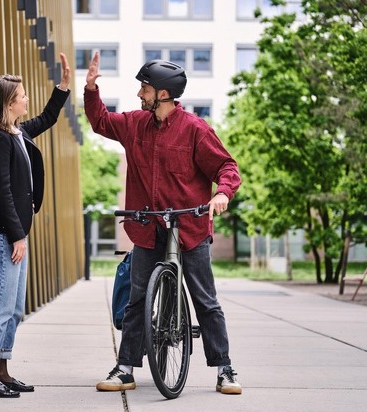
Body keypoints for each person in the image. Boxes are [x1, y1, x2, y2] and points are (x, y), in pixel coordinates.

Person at [84, 53, 243, 395]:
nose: (140, 94)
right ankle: (125, 367)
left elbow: (226, 168)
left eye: (145, 88)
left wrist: (222, 194)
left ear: (164, 94)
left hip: (191, 228)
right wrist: (92, 89)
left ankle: (224, 368)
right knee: (138, 300)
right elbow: (100, 122)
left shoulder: (196, 130)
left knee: (206, 300)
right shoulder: (134, 124)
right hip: (148, 226)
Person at [0, 53, 71, 398]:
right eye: (23, 95)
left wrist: (63, 88)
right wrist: (17, 235)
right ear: (9, 103)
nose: (27, 99)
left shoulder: (16, 132)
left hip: (14, 234)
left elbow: (46, 118)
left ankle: (2, 370)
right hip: (2, 234)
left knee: (13, 309)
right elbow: (0, 192)